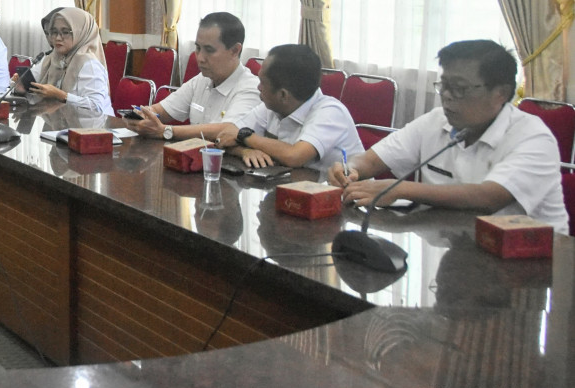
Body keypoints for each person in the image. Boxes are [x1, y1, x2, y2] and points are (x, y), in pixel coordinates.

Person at [328, 40, 569, 234]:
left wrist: (401, 189)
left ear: (501, 93)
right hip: (455, 247)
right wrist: (350, 170)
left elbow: (489, 197)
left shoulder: (533, 137)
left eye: (459, 88)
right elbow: (371, 161)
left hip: (531, 264)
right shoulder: (436, 120)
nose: (447, 96)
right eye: (443, 85)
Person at [216, 43, 361, 171]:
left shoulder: (330, 112)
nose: (258, 87)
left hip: (344, 197)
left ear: (283, 95)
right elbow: (227, 134)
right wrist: (245, 151)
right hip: (295, 189)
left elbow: (294, 156)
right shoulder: (271, 106)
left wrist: (244, 136)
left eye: (262, 82)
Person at [130, 12, 261, 141]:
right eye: (198, 48)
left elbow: (229, 131)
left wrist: (166, 131)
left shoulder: (251, 88)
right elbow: (162, 111)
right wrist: (144, 115)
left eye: (209, 50)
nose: (200, 58)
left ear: (235, 51)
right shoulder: (202, 79)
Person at [18, 7, 111, 114]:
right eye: (54, 32)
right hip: (63, 122)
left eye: (65, 32)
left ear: (80, 33)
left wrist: (61, 96)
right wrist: (19, 87)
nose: (57, 38)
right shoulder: (52, 58)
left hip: (94, 126)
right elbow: (36, 88)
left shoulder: (88, 64)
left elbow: (96, 107)